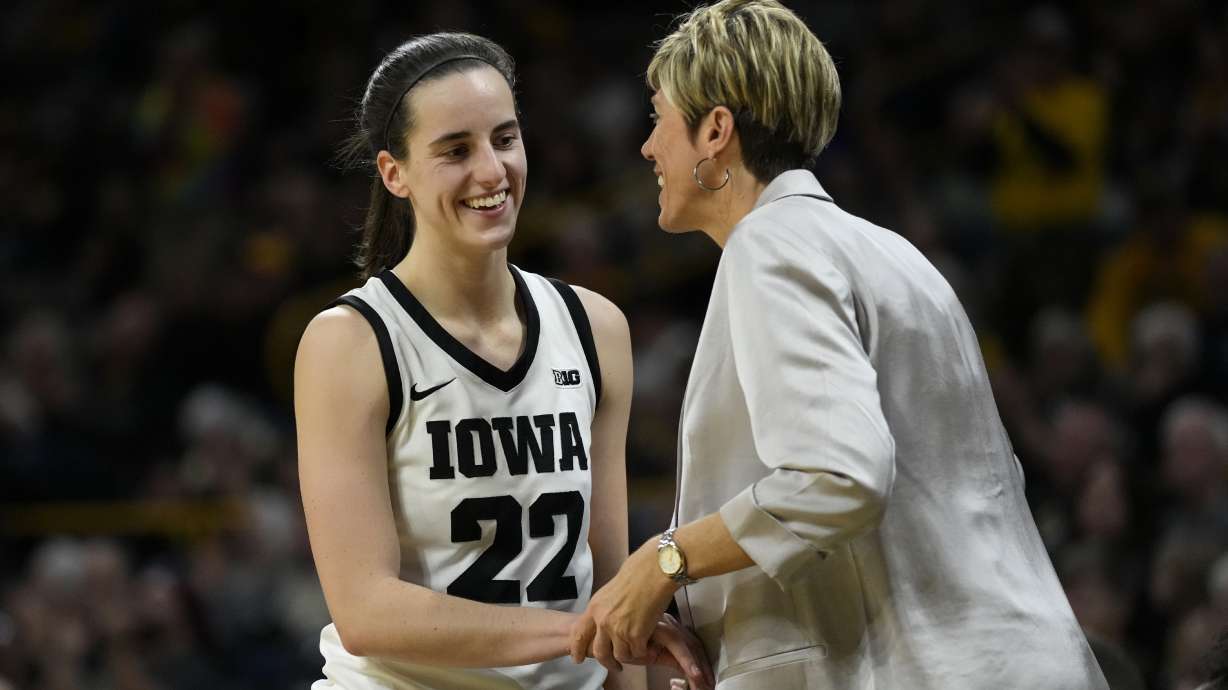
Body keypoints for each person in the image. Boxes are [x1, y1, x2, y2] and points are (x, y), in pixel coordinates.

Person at [569, 2, 1111, 688]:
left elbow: (838, 475)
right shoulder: (898, 255)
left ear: (715, 130)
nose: (647, 147)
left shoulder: (770, 245)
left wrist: (666, 559)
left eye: (658, 118)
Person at [294, 33, 707, 690]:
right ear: (393, 172)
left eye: (505, 139)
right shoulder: (351, 341)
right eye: (456, 150)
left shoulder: (595, 327)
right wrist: (593, 628)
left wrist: (616, 635)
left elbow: (605, 573)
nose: (490, 170)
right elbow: (365, 610)